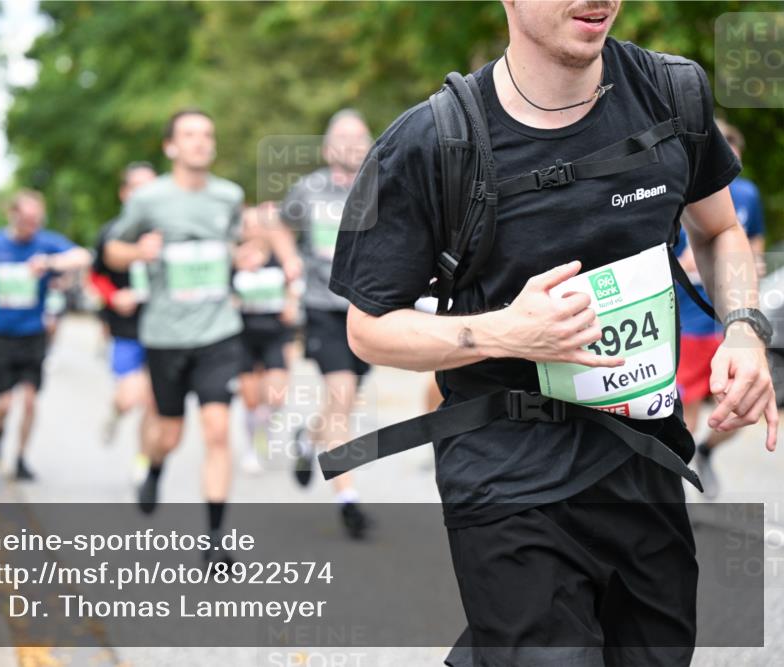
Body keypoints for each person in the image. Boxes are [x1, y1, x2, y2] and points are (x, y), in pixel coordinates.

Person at [328, 2, 776, 665]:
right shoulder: (433, 142)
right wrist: (506, 331)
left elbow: (720, 231)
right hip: (507, 470)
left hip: (643, 465)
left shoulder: (670, 92)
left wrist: (743, 329)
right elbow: (369, 330)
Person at [104, 109, 244, 562]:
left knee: (218, 430)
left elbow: (239, 245)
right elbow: (112, 250)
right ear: (171, 147)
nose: (201, 142)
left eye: (207, 134)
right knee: (169, 433)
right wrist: (138, 250)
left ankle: (216, 538)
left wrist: (246, 256)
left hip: (219, 331)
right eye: (190, 135)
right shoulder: (149, 199)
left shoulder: (229, 197)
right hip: (165, 335)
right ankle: (155, 467)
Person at [280, 109, 374, 539]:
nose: (351, 145)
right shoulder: (308, 190)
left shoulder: (379, 189)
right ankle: (347, 497)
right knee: (343, 394)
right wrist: (289, 264)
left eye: (359, 138)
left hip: (367, 310)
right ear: (326, 147)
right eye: (343, 138)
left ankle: (306, 440)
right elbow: (280, 228)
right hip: (321, 306)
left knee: (342, 402)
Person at [0, 190, 91, 481]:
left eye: (37, 220)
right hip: (1, 332)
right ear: (13, 215)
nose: (32, 225)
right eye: (27, 219)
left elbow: (82, 256)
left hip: (33, 333)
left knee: (30, 401)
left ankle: (20, 458)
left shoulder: (46, 243)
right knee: (4, 402)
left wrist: (50, 263)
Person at [675, 119, 766, 497]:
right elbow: (671, 252)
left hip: (732, 321)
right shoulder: (684, 192)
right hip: (693, 319)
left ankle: (707, 452)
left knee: (745, 406)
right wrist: (690, 261)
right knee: (689, 408)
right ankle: (679, 492)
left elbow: (754, 240)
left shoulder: (746, 194)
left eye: (734, 154)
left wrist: (752, 266)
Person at [90, 162, 159, 489]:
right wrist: (115, 296)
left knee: (153, 400)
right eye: (137, 187)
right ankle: (116, 413)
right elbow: (95, 275)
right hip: (126, 329)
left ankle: (142, 460)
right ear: (124, 193)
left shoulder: (166, 229)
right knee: (130, 397)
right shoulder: (112, 232)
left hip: (164, 328)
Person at [232, 203, 300, 473]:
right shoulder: (234, 260)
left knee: (275, 397)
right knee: (250, 399)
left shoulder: (280, 258)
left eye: (258, 223)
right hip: (244, 336)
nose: (253, 230)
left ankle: (265, 427)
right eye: (247, 225)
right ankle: (251, 448)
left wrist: (291, 303)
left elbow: (295, 285)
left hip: (275, 335)